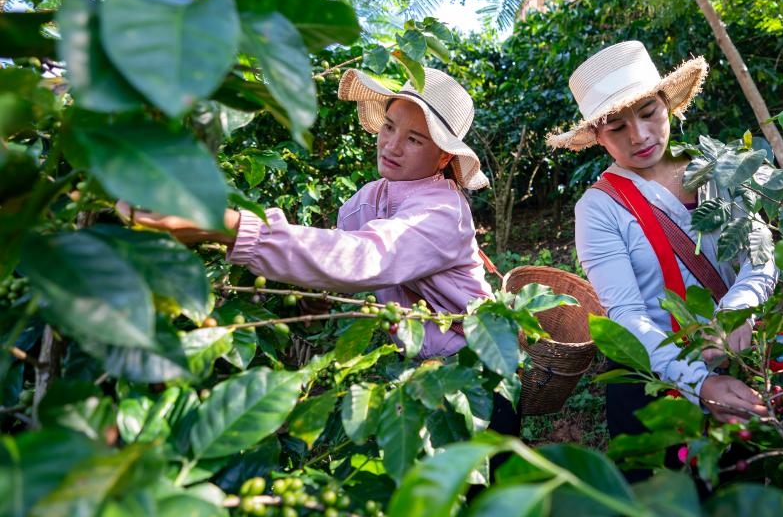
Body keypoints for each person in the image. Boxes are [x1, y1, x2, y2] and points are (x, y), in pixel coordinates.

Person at [118, 67, 498, 364]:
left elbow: (367, 257)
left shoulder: (444, 211)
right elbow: (335, 248)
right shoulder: (369, 198)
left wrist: (229, 227)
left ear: (445, 157)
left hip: (475, 367)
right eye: (389, 127)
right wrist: (324, 294)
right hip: (415, 365)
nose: (392, 145)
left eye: (414, 139)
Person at [546, 41, 778, 448]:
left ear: (667, 105)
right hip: (653, 386)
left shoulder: (717, 168)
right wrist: (700, 383)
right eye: (616, 127)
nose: (639, 136)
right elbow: (625, 315)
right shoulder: (599, 209)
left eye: (649, 113)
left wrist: (739, 309)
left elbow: (760, 254)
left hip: (743, 363)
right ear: (598, 136)